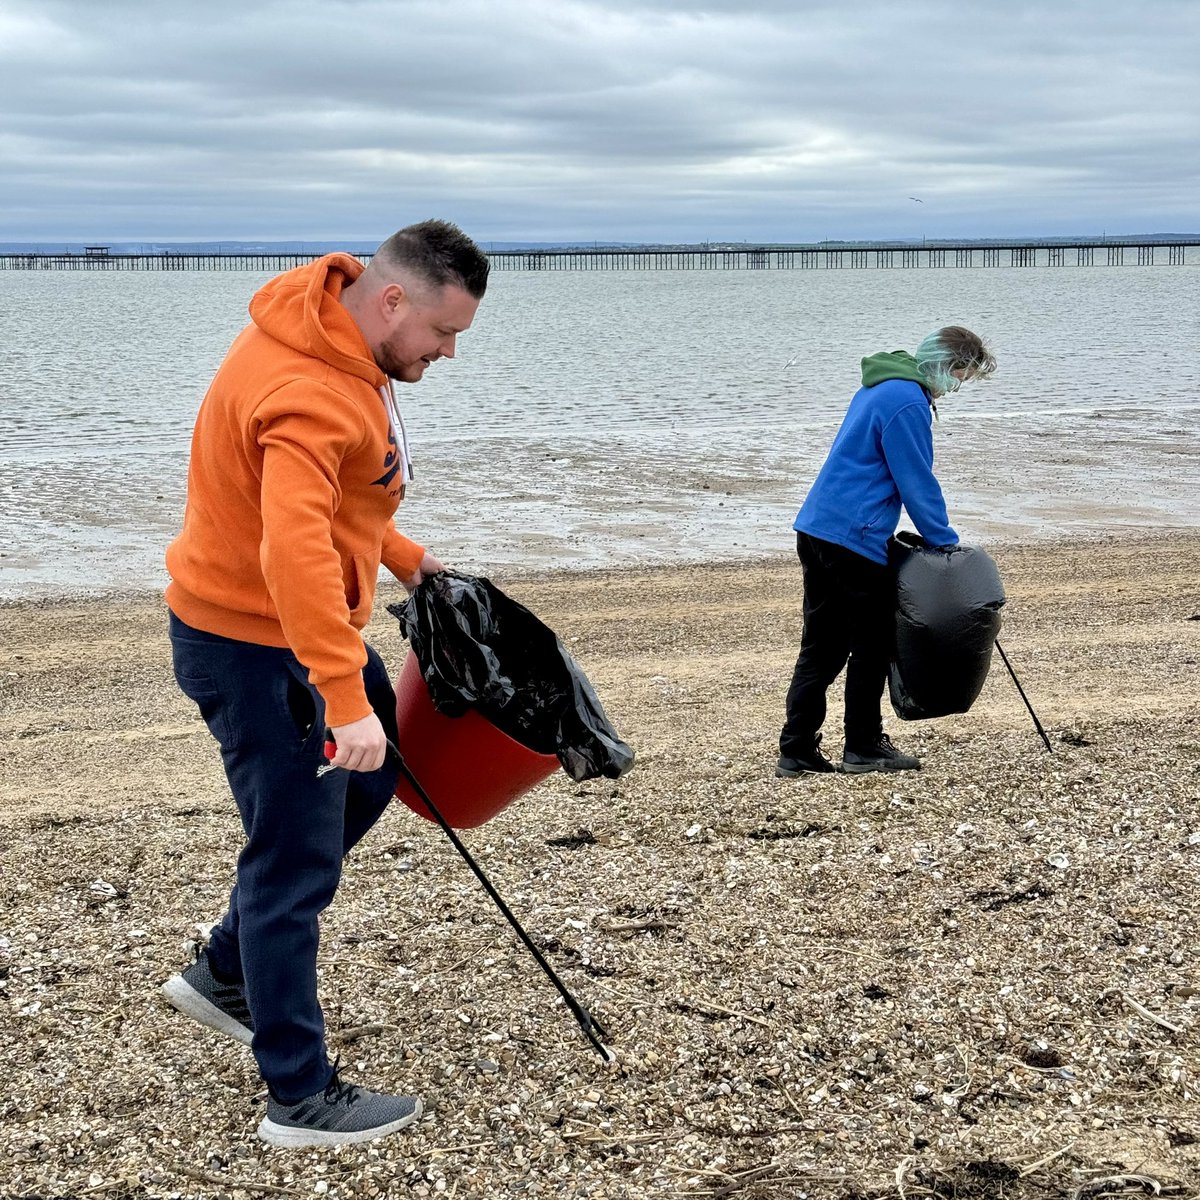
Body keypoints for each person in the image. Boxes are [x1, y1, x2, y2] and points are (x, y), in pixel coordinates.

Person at [160, 220, 490, 1147]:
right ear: (392, 301)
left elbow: (345, 501)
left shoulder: (336, 337)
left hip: (297, 633)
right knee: (292, 861)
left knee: (380, 773)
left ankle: (226, 970)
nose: (449, 353)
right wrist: (340, 702)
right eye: (442, 333)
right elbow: (294, 550)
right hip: (261, 646)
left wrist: (410, 563)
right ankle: (298, 1096)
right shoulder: (308, 388)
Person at [777, 326, 996, 778]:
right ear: (946, 363)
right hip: (852, 538)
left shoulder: (881, 384)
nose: (957, 385)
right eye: (961, 374)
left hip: (817, 526)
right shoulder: (908, 401)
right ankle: (863, 745)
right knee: (872, 643)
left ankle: (796, 748)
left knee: (821, 647)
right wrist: (943, 540)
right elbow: (914, 479)